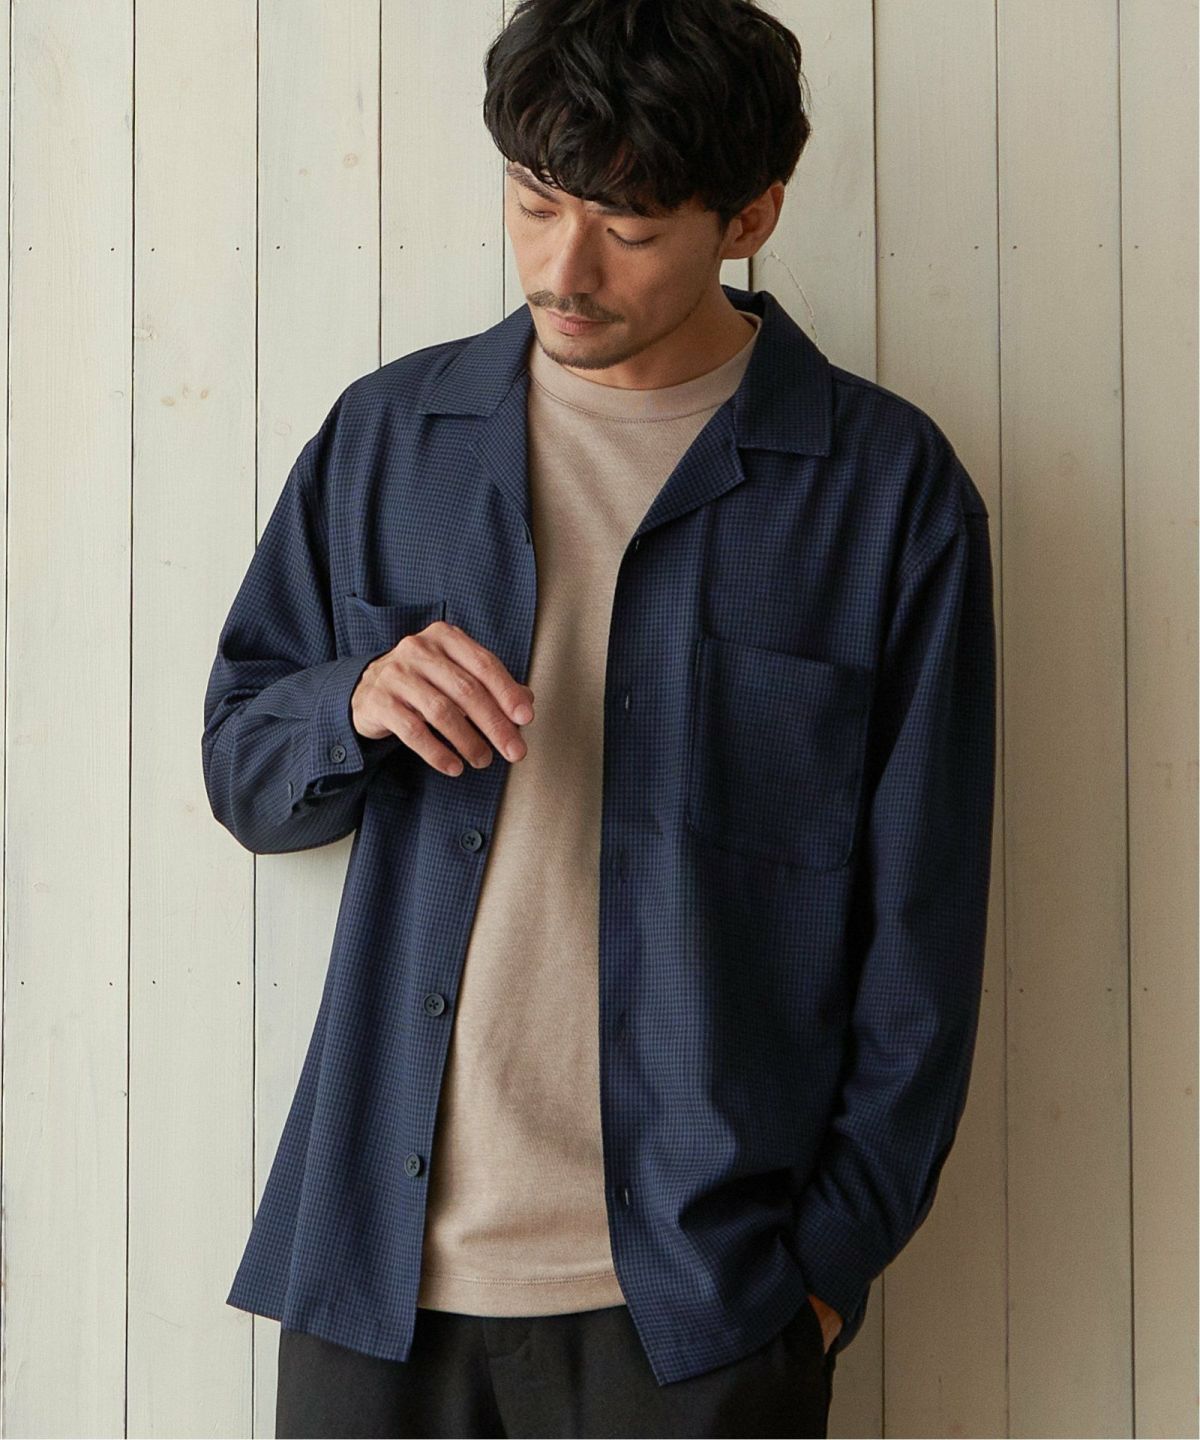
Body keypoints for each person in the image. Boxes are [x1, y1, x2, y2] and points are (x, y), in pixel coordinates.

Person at [201, 1, 997, 1435]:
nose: (563, 271)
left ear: (749, 214)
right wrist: (350, 702)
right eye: (534, 203)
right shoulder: (389, 440)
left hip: (700, 1312)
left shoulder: (885, 494)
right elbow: (245, 769)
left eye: (627, 229)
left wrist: (820, 1277)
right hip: (375, 1293)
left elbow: (922, 936)